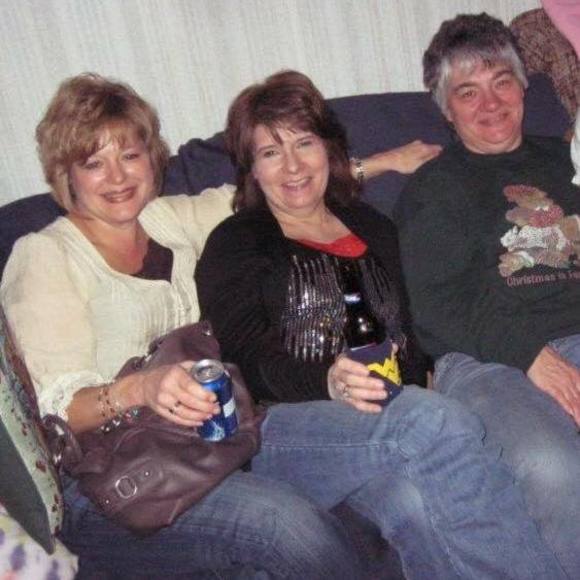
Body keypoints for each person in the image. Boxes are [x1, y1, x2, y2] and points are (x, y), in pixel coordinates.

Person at [195, 69, 567, 579]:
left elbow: (413, 332)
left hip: (383, 421)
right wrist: (327, 380)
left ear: (328, 149)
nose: (293, 166)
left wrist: (421, 384)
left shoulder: (373, 227)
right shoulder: (237, 241)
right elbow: (242, 355)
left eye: (304, 144)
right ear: (252, 170)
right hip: (282, 426)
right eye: (270, 152)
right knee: (432, 420)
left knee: (415, 501)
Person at [0, 73, 366, 579]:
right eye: (94, 163)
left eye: (130, 155)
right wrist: (142, 388)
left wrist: (372, 166)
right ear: (67, 175)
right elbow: (56, 408)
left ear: (152, 159)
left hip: (213, 438)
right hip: (114, 481)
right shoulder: (44, 255)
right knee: (288, 527)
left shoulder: (164, 219)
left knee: (388, 439)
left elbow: (278, 188)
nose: (117, 176)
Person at [394, 13, 580, 578]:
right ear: (446, 109)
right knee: (552, 465)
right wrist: (532, 355)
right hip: (486, 360)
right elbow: (435, 306)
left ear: (524, 87)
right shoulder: (433, 188)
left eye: (502, 82)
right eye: (467, 92)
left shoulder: (568, 161)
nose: (491, 103)